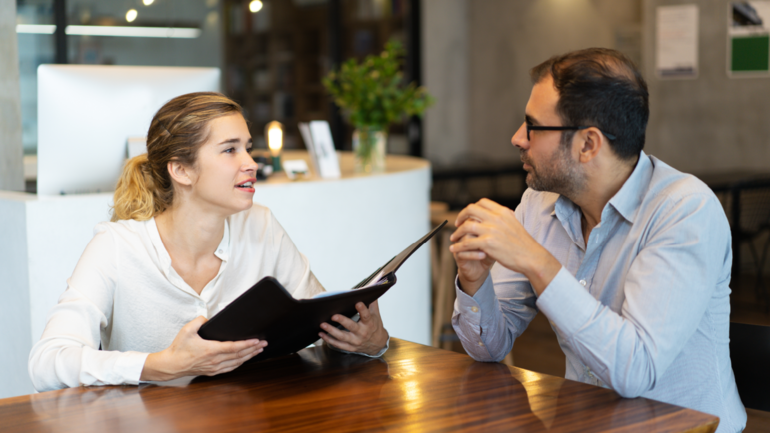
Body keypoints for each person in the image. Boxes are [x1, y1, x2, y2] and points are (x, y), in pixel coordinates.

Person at [449, 48, 746, 432]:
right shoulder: (539, 204)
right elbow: (489, 347)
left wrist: (537, 262)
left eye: (532, 126)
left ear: (588, 144)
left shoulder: (684, 211)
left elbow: (636, 369)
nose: (517, 138)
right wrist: (475, 282)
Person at [29, 92, 389, 391]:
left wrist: (370, 342)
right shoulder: (117, 246)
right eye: (230, 150)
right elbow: (47, 362)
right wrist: (159, 366)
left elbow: (319, 319)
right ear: (181, 170)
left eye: (248, 148)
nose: (251, 163)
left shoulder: (260, 225)